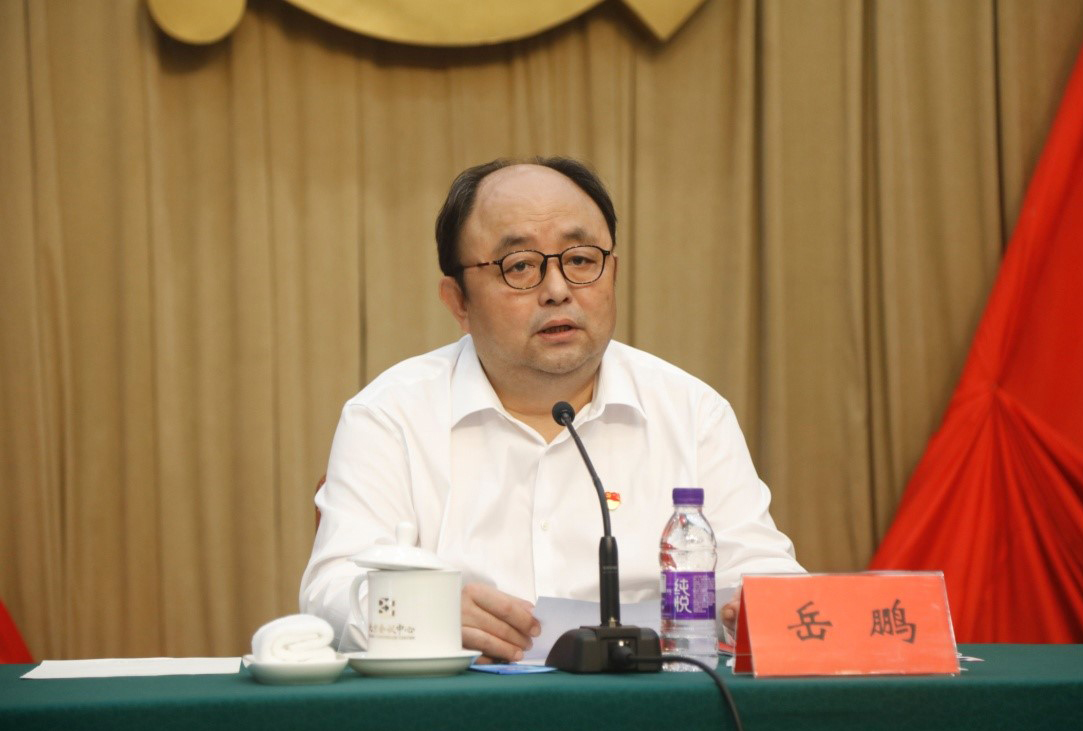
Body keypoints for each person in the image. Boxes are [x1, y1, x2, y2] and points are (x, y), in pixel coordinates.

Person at [299, 157, 803, 662]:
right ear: (458, 302)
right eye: (519, 266)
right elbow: (331, 591)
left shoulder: (692, 412)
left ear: (613, 272)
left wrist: (756, 612)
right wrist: (426, 616)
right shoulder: (390, 416)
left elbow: (765, 575)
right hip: (464, 698)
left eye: (581, 260)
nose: (558, 290)